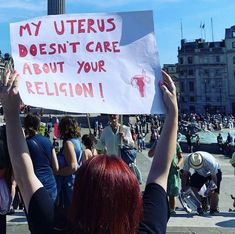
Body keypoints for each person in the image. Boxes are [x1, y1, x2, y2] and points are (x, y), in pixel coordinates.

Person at [0, 69, 178, 233]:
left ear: (81, 193)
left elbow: (24, 177)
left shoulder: (55, 226)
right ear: (131, 196)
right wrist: (172, 113)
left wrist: (10, 111)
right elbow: (160, 172)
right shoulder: (148, 229)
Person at [24, 114, 59, 202]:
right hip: (50, 183)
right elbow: (56, 167)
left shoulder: (25, 144)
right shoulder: (47, 141)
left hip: (34, 184)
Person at [55, 116, 83, 215]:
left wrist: (57, 172)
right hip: (74, 182)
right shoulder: (77, 142)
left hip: (68, 184)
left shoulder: (68, 143)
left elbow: (73, 166)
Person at [181, 151, 222, 215]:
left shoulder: (210, 162)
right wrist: (183, 187)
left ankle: (213, 209)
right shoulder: (188, 159)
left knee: (214, 191)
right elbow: (185, 174)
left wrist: (212, 188)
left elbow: (214, 179)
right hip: (199, 173)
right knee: (193, 185)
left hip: (214, 173)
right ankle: (200, 205)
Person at [148, 141, 184, 215]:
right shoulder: (158, 142)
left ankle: (172, 210)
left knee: (172, 192)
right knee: (160, 191)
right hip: (160, 170)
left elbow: (181, 157)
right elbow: (150, 154)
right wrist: (157, 147)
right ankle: (160, 209)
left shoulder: (176, 143)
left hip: (173, 171)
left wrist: (179, 165)